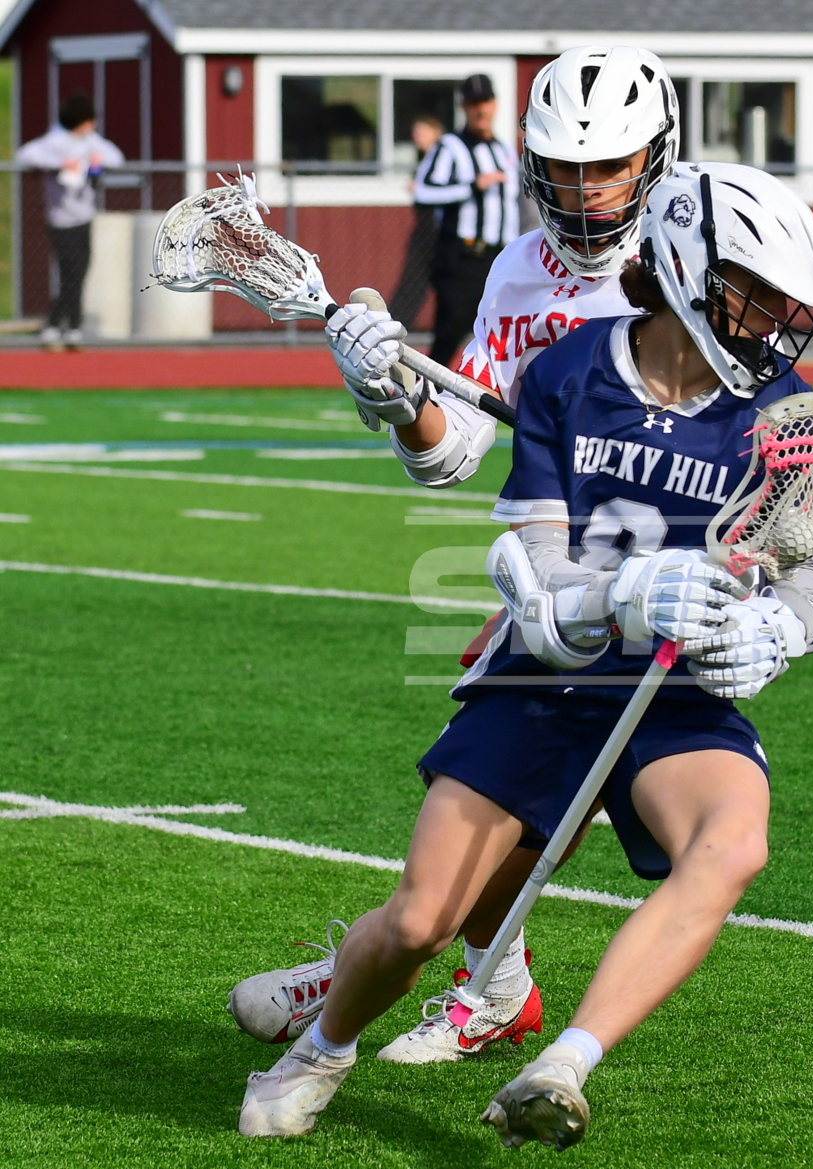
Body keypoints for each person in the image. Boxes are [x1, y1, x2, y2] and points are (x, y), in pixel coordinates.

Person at [237, 161, 813, 1149]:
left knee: (732, 844)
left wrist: (769, 635)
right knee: (422, 922)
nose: (777, 323)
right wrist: (624, 592)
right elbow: (530, 574)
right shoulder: (569, 372)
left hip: (674, 693)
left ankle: (564, 1063)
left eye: (786, 301)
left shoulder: (786, 414)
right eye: (755, 293)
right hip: (546, 678)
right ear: (686, 271)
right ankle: (319, 1048)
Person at [229, 45, 685, 1064]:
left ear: (656, 157)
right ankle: (474, 978)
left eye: (606, 166)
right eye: (562, 168)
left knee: (545, 810)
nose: (583, 189)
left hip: (671, 579)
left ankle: (395, 967)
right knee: (504, 800)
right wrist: (394, 394)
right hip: (560, 578)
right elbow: (453, 455)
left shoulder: (696, 254)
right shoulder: (521, 269)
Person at [414, 74, 519, 367]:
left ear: (495, 104)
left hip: (500, 256)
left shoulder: (503, 150)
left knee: (505, 333)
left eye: (484, 101)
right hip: (463, 256)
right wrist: (472, 186)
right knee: (450, 332)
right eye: (473, 103)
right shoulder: (450, 147)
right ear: (463, 107)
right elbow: (423, 192)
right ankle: (429, 389)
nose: (480, 109)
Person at [15, 94, 125, 347]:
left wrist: (94, 162)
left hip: (83, 217)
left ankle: (70, 326)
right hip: (60, 219)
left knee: (80, 272)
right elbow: (25, 156)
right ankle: (58, 325)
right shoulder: (55, 142)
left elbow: (116, 157)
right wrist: (60, 164)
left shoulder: (91, 142)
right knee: (70, 273)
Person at [386, 115, 445, 328]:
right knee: (413, 280)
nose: (417, 137)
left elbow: (442, 190)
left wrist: (421, 189)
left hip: (437, 228)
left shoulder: (442, 157)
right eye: (416, 133)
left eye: (422, 132)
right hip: (424, 226)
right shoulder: (423, 158)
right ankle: (394, 324)